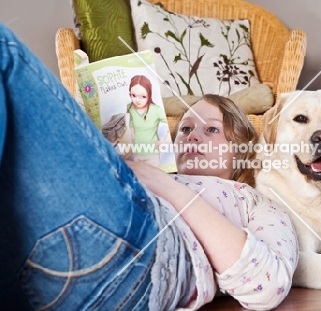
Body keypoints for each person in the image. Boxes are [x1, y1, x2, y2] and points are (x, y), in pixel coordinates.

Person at [0, 22, 298, 311]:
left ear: (241, 152)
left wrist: (158, 182)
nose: (193, 134)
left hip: (145, 255)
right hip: (33, 260)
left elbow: (268, 284)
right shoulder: (154, 168)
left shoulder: (254, 202)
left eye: (211, 130)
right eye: (185, 129)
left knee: (5, 49)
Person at [127, 75, 170, 168]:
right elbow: (130, 122)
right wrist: (132, 132)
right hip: (136, 152)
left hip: (152, 153)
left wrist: (165, 141)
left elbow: (172, 124)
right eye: (133, 95)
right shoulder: (129, 107)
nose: (137, 100)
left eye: (142, 96)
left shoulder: (156, 110)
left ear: (149, 95)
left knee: (153, 179)